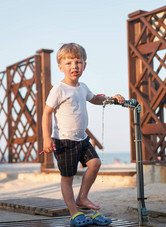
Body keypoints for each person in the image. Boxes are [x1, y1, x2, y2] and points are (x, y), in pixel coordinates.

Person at [42, 43, 124, 226]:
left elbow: (95, 99)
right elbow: (46, 112)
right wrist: (47, 138)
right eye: (69, 62)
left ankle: (83, 197)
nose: (74, 66)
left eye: (78, 62)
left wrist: (111, 99)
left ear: (84, 65)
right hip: (64, 141)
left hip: (82, 139)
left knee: (95, 163)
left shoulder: (83, 87)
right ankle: (74, 212)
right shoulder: (59, 89)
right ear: (60, 67)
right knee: (67, 177)